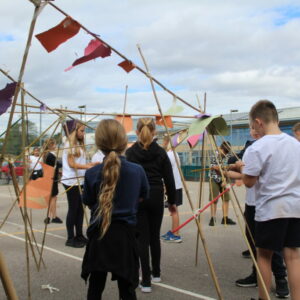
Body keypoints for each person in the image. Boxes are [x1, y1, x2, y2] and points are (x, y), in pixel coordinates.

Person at [81, 119, 149, 300]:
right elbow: (143, 197)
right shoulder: (137, 171)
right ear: (124, 142)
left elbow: (87, 200)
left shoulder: (91, 173)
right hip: (125, 237)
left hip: (100, 235)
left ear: (99, 144)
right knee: (127, 290)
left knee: (95, 288)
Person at [239, 100, 300, 300]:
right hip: (295, 208)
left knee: (264, 256)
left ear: (258, 122)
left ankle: (263, 298)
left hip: (271, 209)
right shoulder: (295, 144)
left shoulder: (258, 147)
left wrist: (242, 169)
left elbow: (248, 182)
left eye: (253, 125)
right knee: (293, 255)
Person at [225, 129, 289, 298]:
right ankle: (256, 274)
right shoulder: (253, 149)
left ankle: (281, 280)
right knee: (255, 244)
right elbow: (244, 176)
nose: (252, 131)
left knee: (269, 247)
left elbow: (249, 180)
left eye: (254, 128)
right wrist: (227, 170)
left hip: (265, 204)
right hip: (253, 204)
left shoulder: (265, 149)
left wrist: (238, 168)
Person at [126, 118, 176, 293]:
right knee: (154, 236)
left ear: (137, 132)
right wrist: (172, 201)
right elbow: (169, 179)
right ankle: (156, 273)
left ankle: (146, 280)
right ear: (154, 132)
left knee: (142, 239)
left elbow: (126, 176)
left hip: (139, 196)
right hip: (156, 195)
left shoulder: (131, 153)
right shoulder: (161, 152)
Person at [62, 121, 96, 248]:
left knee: (81, 210)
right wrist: (87, 166)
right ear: (74, 131)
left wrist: (90, 165)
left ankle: (79, 235)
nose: (84, 133)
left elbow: (80, 162)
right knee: (73, 208)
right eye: (82, 130)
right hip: (71, 181)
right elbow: (71, 164)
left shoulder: (79, 145)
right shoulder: (69, 145)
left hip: (80, 180)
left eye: (84, 130)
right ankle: (70, 238)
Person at [161, 134, 183, 243]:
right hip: (176, 185)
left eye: (163, 141)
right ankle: (174, 231)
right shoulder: (175, 154)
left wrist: (165, 185)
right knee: (173, 209)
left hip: (173, 186)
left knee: (173, 210)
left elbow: (166, 172)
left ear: (166, 142)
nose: (162, 143)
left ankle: (176, 234)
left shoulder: (169, 155)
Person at [208, 141, 236, 226]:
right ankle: (213, 218)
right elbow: (213, 166)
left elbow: (229, 168)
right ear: (221, 148)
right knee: (214, 199)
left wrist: (225, 180)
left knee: (226, 198)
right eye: (224, 151)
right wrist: (219, 167)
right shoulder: (215, 153)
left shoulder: (229, 155)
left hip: (224, 179)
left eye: (226, 152)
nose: (225, 153)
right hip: (214, 178)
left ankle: (225, 218)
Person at [43, 138, 63, 224]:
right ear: (51, 145)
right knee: (53, 198)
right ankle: (54, 216)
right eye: (54, 144)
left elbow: (53, 166)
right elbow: (58, 164)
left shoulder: (47, 154)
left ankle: (50, 216)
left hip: (49, 178)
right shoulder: (50, 155)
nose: (55, 146)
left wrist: (58, 171)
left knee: (52, 198)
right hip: (51, 179)